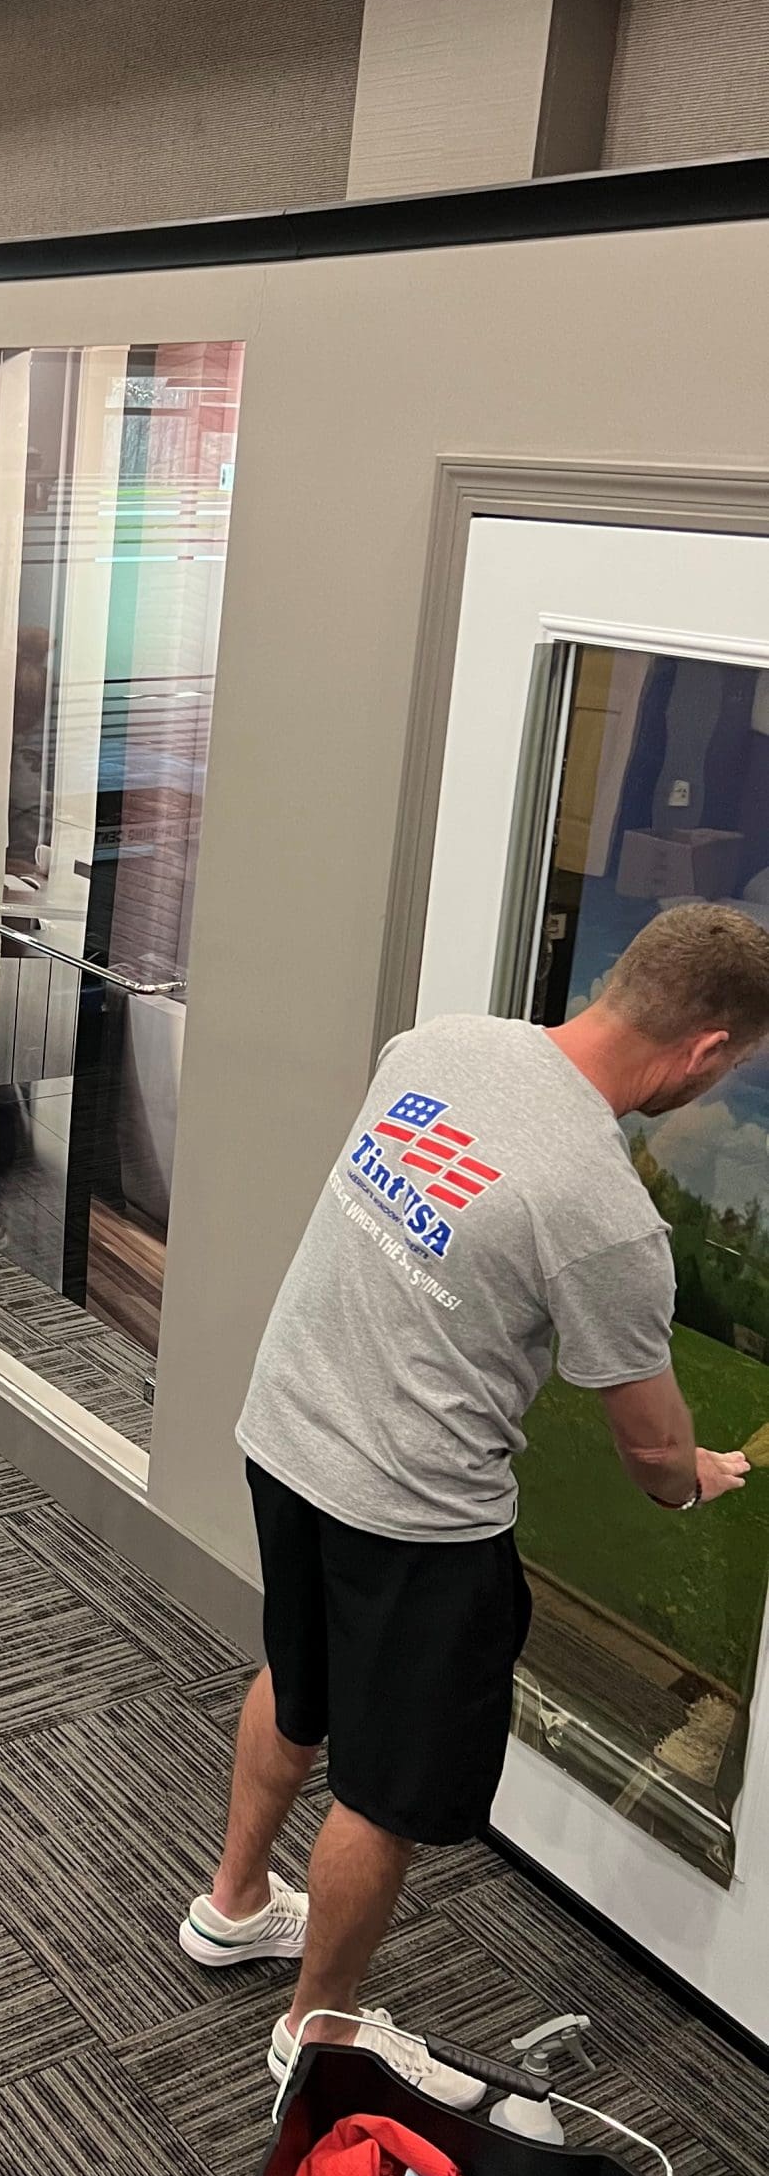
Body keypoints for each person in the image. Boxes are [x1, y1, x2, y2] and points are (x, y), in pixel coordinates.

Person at [180, 901, 769, 2105]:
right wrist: (701, 1476)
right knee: (384, 1790)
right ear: (708, 1049)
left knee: (299, 1676)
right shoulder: (605, 1211)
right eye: (738, 1067)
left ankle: (233, 1903)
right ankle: (320, 2031)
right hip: (412, 1512)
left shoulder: (438, 1044)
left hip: (285, 1432)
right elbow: (654, 1453)